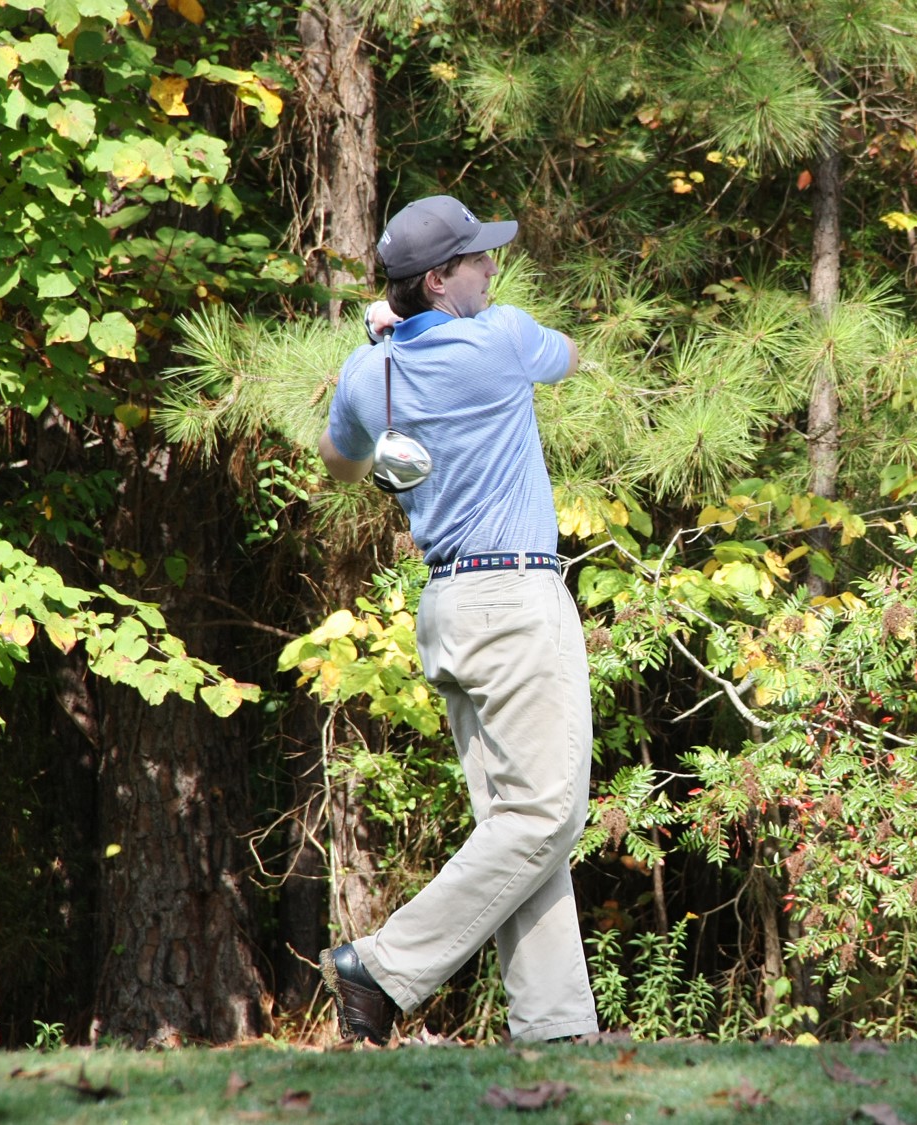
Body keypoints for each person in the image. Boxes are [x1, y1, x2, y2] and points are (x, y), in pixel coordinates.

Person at [316, 194, 599, 1045]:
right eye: (477, 259)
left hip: (447, 608)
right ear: (438, 280)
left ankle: (554, 1028)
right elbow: (570, 356)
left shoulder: (368, 373)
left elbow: (340, 465)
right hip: (516, 599)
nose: (492, 268)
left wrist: (386, 348)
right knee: (546, 816)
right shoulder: (502, 338)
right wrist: (418, 332)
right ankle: (383, 965)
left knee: (514, 824)